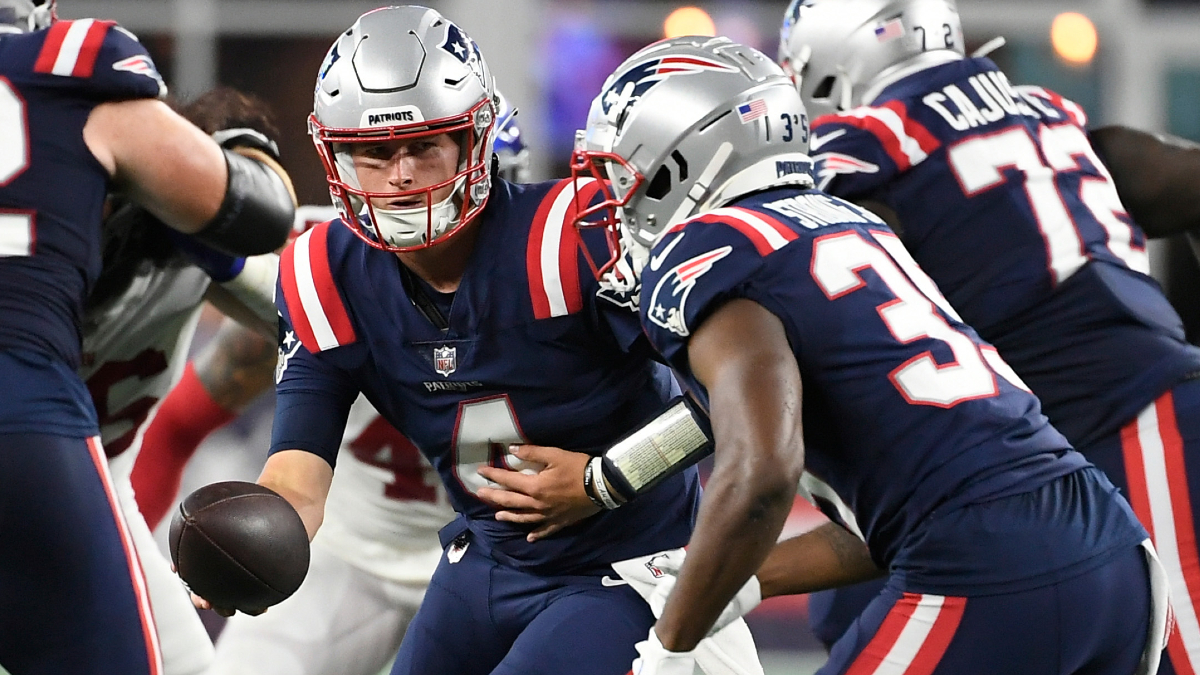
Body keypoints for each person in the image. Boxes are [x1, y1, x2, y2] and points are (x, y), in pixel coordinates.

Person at [559, 35, 1166, 674]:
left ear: (679, 163)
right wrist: (737, 574)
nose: (609, 198)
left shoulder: (705, 253)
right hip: (1111, 548)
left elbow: (762, 472)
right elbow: (903, 512)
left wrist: (669, 649)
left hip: (989, 563)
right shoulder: (853, 224)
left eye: (618, 172)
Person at [188, 7, 706, 675]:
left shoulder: (572, 237)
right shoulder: (324, 273)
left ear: (476, 140)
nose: (401, 174)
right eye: (374, 152)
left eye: (424, 145)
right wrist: (253, 545)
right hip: (487, 557)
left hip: (631, 560)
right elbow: (298, 474)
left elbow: (731, 402)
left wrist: (606, 478)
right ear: (335, 156)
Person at [776, 1, 1200, 671]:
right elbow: (1175, 178)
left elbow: (798, 307)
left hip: (1125, 422)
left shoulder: (863, 148)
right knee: (852, 607)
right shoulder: (1040, 107)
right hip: (1058, 455)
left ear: (828, 70)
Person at [0, 1, 294, 673]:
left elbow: (296, 309)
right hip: (35, 437)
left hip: (83, 474)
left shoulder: (183, 260)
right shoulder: (74, 81)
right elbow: (256, 211)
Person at [81, 86, 292, 675]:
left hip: (97, 489)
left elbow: (312, 318)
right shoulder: (71, 237)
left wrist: (221, 256)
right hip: (44, 466)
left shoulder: (209, 264)